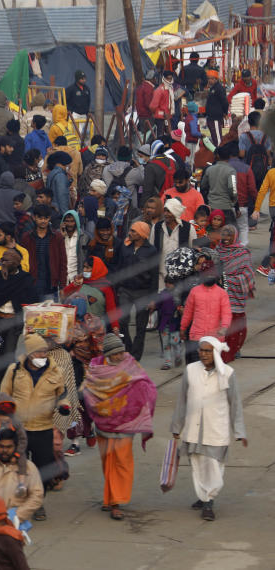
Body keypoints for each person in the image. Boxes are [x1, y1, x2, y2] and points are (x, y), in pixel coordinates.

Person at [171, 337, 247, 521]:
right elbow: (182, 400)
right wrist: (177, 426)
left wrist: (239, 431)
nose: (203, 354)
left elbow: (235, 403)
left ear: (215, 353)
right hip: (193, 429)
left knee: (213, 467)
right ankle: (204, 496)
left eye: (207, 351)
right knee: (197, 465)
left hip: (215, 429)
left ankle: (208, 501)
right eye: (201, 350)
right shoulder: (190, 370)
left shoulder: (227, 373)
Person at [82, 334, 157, 520]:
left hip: (126, 422)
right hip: (104, 423)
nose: (120, 356)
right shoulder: (96, 368)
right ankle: (109, 498)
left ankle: (117, 501)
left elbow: (147, 384)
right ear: (107, 354)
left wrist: (139, 397)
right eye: (116, 353)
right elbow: (89, 392)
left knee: (122, 461)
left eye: (122, 351)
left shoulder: (130, 364)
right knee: (108, 461)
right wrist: (104, 407)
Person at [0, 334, 68, 521]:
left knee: (42, 469)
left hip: (43, 428)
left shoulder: (55, 372)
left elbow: (63, 394)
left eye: (44, 351)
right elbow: (4, 395)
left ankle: (37, 503)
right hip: (18, 429)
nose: (42, 355)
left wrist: (63, 405)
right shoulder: (14, 371)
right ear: (29, 354)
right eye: (38, 351)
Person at [115, 222, 159, 361]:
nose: (130, 233)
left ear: (141, 234)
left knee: (141, 327)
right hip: (126, 290)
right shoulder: (125, 247)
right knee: (122, 322)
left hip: (143, 292)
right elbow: (119, 267)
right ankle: (128, 349)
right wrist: (118, 288)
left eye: (134, 231)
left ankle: (136, 355)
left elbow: (154, 275)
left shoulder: (151, 251)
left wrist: (153, 298)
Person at [0, 249, 37, 357]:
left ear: (16, 263)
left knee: (9, 354)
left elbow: (31, 302)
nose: (3, 263)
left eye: (7, 261)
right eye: (2, 260)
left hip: (14, 321)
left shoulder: (25, 279)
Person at [216, 226, 254, 362]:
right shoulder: (217, 252)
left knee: (237, 323)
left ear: (235, 236)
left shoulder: (242, 253)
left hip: (236, 295)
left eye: (229, 235)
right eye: (223, 235)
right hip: (220, 295)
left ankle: (235, 348)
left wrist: (230, 280)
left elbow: (248, 274)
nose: (225, 238)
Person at [180, 267, 232, 360]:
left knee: (212, 368)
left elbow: (226, 313)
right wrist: (183, 328)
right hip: (197, 337)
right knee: (197, 365)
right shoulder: (195, 291)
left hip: (215, 338)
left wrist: (224, 327)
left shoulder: (222, 293)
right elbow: (188, 312)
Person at [20, 205, 67, 300]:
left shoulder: (57, 237)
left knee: (48, 314)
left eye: (46, 218)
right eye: (40, 218)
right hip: (31, 285)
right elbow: (22, 261)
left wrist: (62, 285)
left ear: (49, 218)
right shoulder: (26, 238)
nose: (43, 221)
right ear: (34, 218)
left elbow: (63, 262)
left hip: (50, 286)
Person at [151, 198, 195, 286]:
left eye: (169, 211)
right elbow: (151, 249)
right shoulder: (157, 227)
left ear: (176, 212)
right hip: (160, 275)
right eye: (165, 211)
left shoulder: (188, 228)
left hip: (180, 277)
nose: (166, 214)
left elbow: (193, 251)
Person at [201, 143, 239, 224]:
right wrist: (233, 202)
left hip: (212, 206)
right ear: (229, 157)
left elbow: (203, 186)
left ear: (217, 156)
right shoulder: (231, 171)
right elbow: (233, 189)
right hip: (226, 207)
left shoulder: (209, 170)